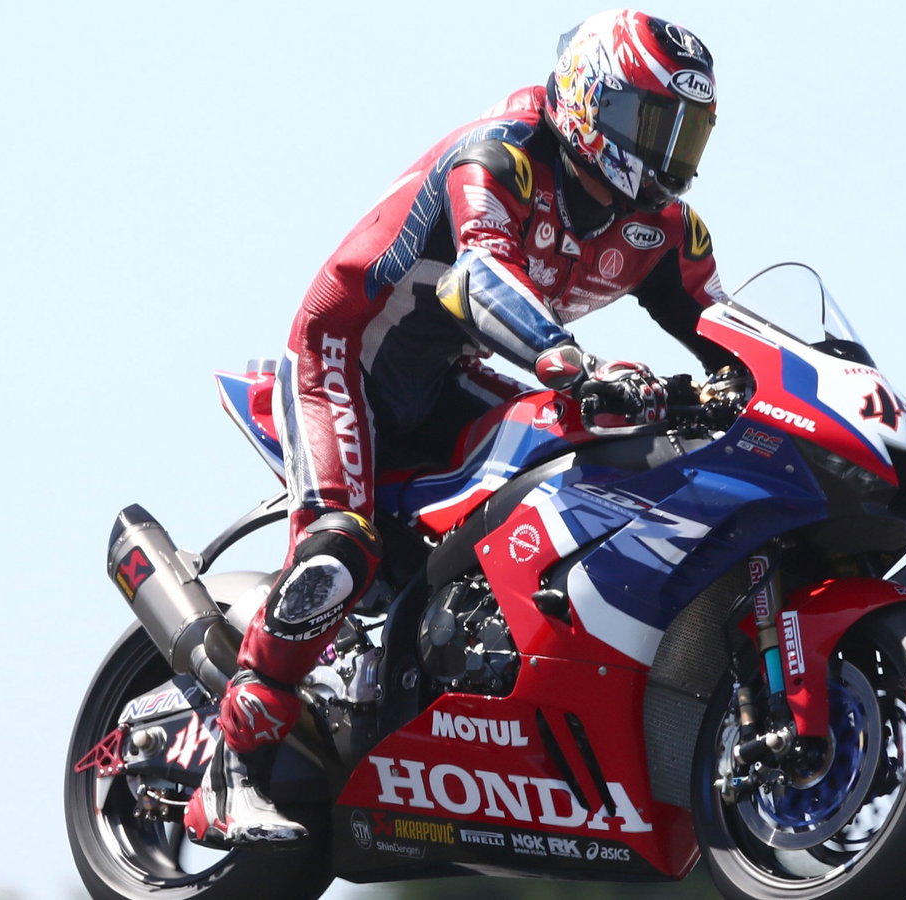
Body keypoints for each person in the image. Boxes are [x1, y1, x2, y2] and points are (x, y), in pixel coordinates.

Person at [185, 8, 735, 846]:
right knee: (339, 549)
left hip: (446, 375)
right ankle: (229, 764)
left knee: (568, 469)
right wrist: (570, 360)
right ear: (593, 99)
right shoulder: (502, 155)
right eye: (651, 122)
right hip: (347, 357)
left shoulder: (659, 227)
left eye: (684, 134)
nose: (666, 154)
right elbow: (480, 278)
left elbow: (724, 325)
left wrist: (801, 378)